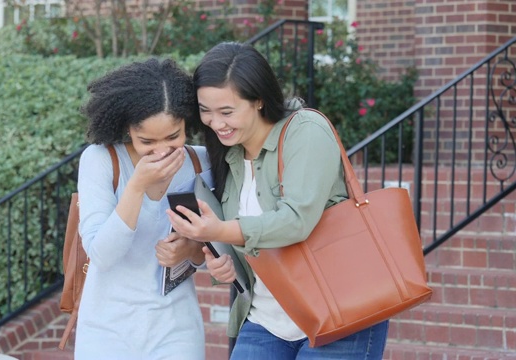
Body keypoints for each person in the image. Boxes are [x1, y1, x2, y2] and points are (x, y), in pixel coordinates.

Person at [167, 41, 389, 359]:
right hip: (266, 320)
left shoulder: (306, 131)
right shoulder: (227, 155)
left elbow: (295, 220)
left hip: (340, 315)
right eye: (205, 111)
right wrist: (225, 262)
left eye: (226, 112)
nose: (215, 123)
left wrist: (219, 231)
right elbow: (243, 241)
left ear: (258, 100)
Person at [75, 58, 208, 360]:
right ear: (126, 129)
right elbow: (102, 255)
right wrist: (136, 186)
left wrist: (189, 249)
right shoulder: (100, 161)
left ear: (188, 122)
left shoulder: (202, 164)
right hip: (105, 332)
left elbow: (215, 251)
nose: (161, 150)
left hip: (177, 330)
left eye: (173, 137)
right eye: (146, 141)